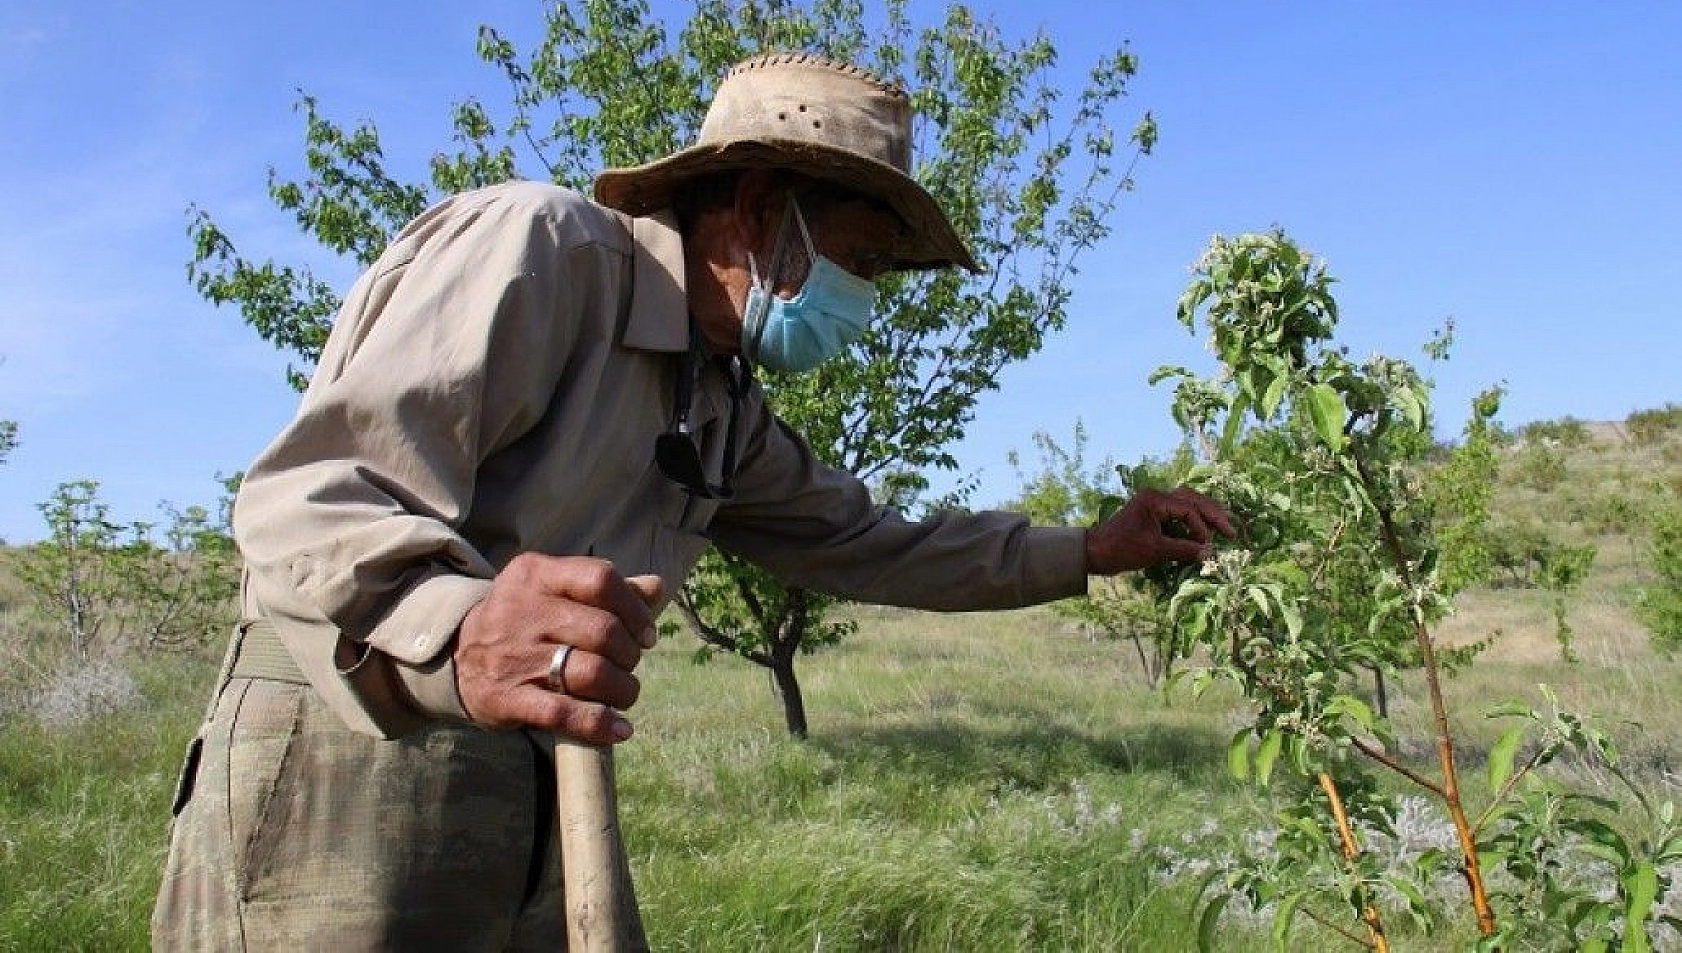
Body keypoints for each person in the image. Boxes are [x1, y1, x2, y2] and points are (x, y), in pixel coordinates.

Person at [152, 52, 1234, 950]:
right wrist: (465, 621)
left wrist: (1089, 549)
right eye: (857, 262)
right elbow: (307, 501)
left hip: (534, 784)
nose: (862, 303)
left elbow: (867, 543)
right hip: (351, 762)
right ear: (762, 208)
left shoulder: (713, 398)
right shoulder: (537, 250)